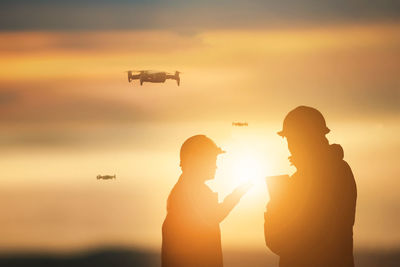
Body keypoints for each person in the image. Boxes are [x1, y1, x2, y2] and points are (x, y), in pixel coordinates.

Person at [264, 106, 357, 267]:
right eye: (288, 140)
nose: (290, 146)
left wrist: (274, 208)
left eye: (292, 139)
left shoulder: (311, 179)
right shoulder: (339, 170)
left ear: (307, 138)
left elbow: (282, 241)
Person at [162, 135, 251, 267]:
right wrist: (238, 193)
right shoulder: (187, 192)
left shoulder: (190, 189)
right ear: (195, 161)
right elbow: (214, 216)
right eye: (212, 160)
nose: (216, 167)